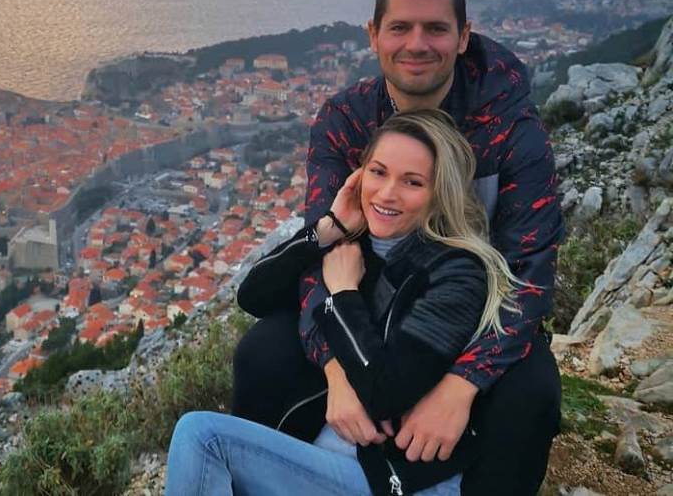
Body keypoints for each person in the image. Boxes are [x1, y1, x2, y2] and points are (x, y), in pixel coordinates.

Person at [232, 0, 563, 495]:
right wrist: (336, 370)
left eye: (436, 28)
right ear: (374, 35)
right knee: (261, 354)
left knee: (531, 396)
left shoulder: (510, 128)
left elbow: (528, 272)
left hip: (471, 313)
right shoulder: (345, 119)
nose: (417, 44)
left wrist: (460, 385)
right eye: (400, 27)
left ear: (464, 36)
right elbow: (324, 250)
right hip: (368, 305)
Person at [166, 110, 521, 495]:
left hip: (391, 479)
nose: (387, 193)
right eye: (378, 172)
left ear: (439, 194)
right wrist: (329, 227)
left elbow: (385, 394)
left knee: (202, 437)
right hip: (328, 460)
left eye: (412, 182)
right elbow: (253, 295)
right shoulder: (353, 245)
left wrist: (343, 294)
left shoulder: (457, 274)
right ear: (359, 175)